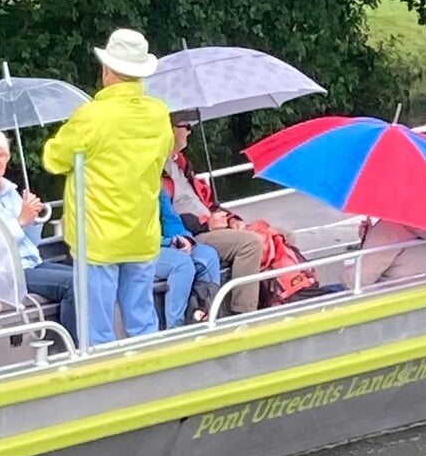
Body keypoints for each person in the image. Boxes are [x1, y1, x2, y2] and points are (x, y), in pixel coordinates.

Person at [42, 28, 173, 347]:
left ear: (107, 70)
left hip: (98, 239)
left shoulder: (92, 116)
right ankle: (152, 373)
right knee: (142, 320)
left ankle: (105, 384)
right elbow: (166, 152)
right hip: (142, 231)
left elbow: (54, 159)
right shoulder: (158, 113)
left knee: (97, 329)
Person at [0, 129, 79, 334]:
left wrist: (33, 219)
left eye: (1, 155)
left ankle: (95, 341)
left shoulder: (9, 191)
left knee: (86, 276)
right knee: (73, 284)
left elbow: (30, 243)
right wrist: (20, 221)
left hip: (28, 264)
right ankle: (75, 347)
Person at [161, 113, 265, 316]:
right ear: (171, 130)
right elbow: (165, 219)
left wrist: (231, 219)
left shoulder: (181, 164)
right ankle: (244, 313)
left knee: (281, 234)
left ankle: (278, 298)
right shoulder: (156, 170)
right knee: (251, 243)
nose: (190, 131)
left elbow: (207, 201)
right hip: (193, 234)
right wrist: (205, 224)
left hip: (208, 225)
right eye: (186, 126)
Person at [156, 191, 222, 326]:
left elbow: (171, 219)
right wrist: (168, 242)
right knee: (182, 264)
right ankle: (175, 329)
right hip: (138, 250)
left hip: (167, 243)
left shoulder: (153, 181)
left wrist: (185, 239)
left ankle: (205, 316)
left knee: (208, 256)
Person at [343, 218, 426, 288]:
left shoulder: (389, 228)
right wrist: (369, 238)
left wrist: (348, 266)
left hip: (385, 299)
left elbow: (357, 281)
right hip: (421, 292)